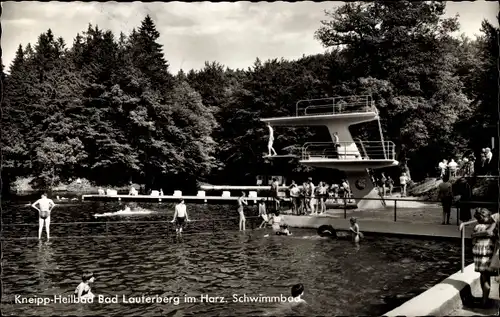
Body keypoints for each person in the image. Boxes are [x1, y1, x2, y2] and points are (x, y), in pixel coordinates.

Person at [471, 208, 498, 307]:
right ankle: (485, 299)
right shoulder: (492, 226)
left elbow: (473, 241)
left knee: (483, 276)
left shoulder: (477, 226)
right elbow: (491, 235)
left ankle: (484, 298)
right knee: (486, 276)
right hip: (487, 253)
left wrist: (474, 236)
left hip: (478, 253)